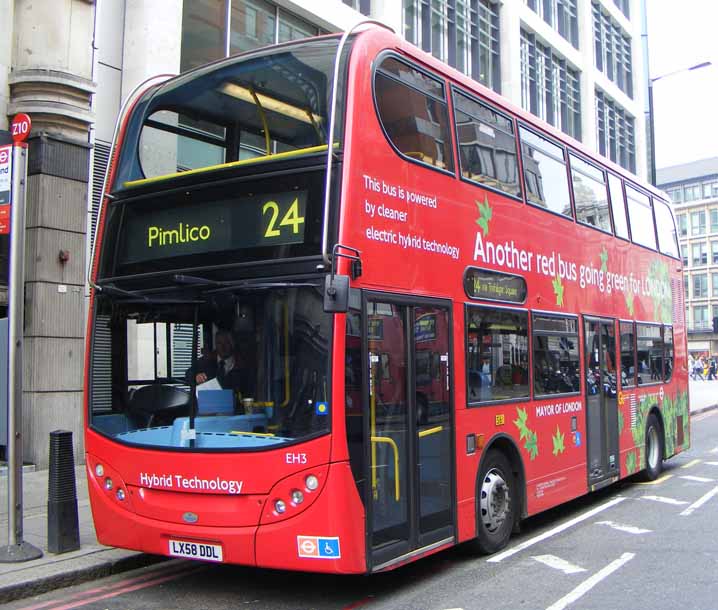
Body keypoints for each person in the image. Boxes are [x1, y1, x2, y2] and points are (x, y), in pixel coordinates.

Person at [185, 329, 253, 396]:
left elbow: (248, 392)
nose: (223, 347)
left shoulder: (242, 364)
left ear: (232, 344)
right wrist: (195, 377)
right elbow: (188, 374)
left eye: (226, 343)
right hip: (208, 404)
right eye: (219, 343)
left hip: (234, 405)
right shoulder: (205, 361)